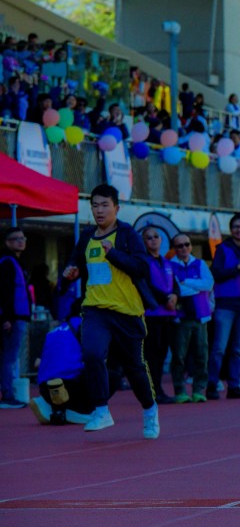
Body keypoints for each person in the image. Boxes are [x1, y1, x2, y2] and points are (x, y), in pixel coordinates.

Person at [61, 184, 159, 438]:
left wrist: (113, 253)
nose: (99, 210)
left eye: (105, 205)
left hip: (127, 312)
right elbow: (75, 261)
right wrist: (70, 272)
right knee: (92, 354)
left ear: (116, 207)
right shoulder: (86, 236)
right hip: (95, 309)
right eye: (95, 205)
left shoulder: (127, 234)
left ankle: (149, 411)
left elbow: (141, 268)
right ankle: (101, 409)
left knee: (135, 368)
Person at [207, 214, 240, 400]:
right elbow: (216, 274)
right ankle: (212, 383)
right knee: (219, 347)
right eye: (236, 227)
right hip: (225, 304)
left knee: (238, 348)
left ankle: (234, 385)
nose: (239, 230)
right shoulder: (222, 249)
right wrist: (238, 268)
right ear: (231, 229)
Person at [169, 233, 214, 403]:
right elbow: (175, 289)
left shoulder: (200, 263)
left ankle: (198, 390)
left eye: (186, 244)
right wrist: (196, 285)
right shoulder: (170, 265)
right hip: (180, 317)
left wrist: (185, 281)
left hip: (201, 316)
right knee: (179, 356)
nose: (184, 248)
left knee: (201, 355)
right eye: (179, 245)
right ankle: (180, 390)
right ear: (174, 248)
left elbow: (208, 284)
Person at [140, 226, 178, 405]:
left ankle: (157, 388)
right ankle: (154, 390)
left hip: (168, 315)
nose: (153, 240)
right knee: (152, 355)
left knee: (162, 354)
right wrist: (166, 298)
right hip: (152, 314)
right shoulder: (143, 263)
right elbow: (146, 285)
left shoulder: (168, 262)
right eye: (149, 237)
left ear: (161, 240)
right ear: (144, 242)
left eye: (156, 236)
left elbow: (175, 285)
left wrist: (175, 296)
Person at [0, 227, 30, 409]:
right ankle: (8, 395)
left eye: (22, 238)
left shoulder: (15, 262)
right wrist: (7, 318)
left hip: (17, 317)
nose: (21, 241)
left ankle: (9, 393)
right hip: (13, 318)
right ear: (7, 242)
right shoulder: (7, 263)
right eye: (16, 238)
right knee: (9, 357)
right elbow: (5, 293)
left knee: (9, 356)